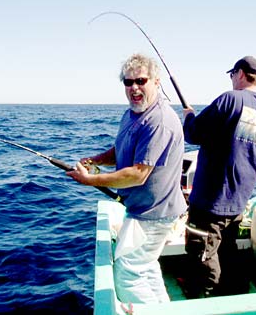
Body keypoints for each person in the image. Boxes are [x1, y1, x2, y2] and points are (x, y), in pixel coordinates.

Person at [67, 53, 187, 303]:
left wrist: (89, 180)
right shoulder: (133, 114)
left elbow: (137, 174)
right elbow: (122, 150)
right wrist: (97, 160)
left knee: (128, 275)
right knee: (146, 267)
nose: (134, 88)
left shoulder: (159, 121)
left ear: (156, 81)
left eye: (141, 81)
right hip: (142, 210)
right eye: (128, 82)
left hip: (153, 214)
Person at [182, 55, 256, 298]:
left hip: (211, 202)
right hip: (239, 201)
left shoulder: (230, 98)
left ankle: (203, 300)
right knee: (228, 255)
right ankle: (230, 296)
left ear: (241, 74)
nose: (232, 79)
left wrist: (189, 115)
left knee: (203, 259)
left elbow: (193, 133)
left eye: (233, 74)